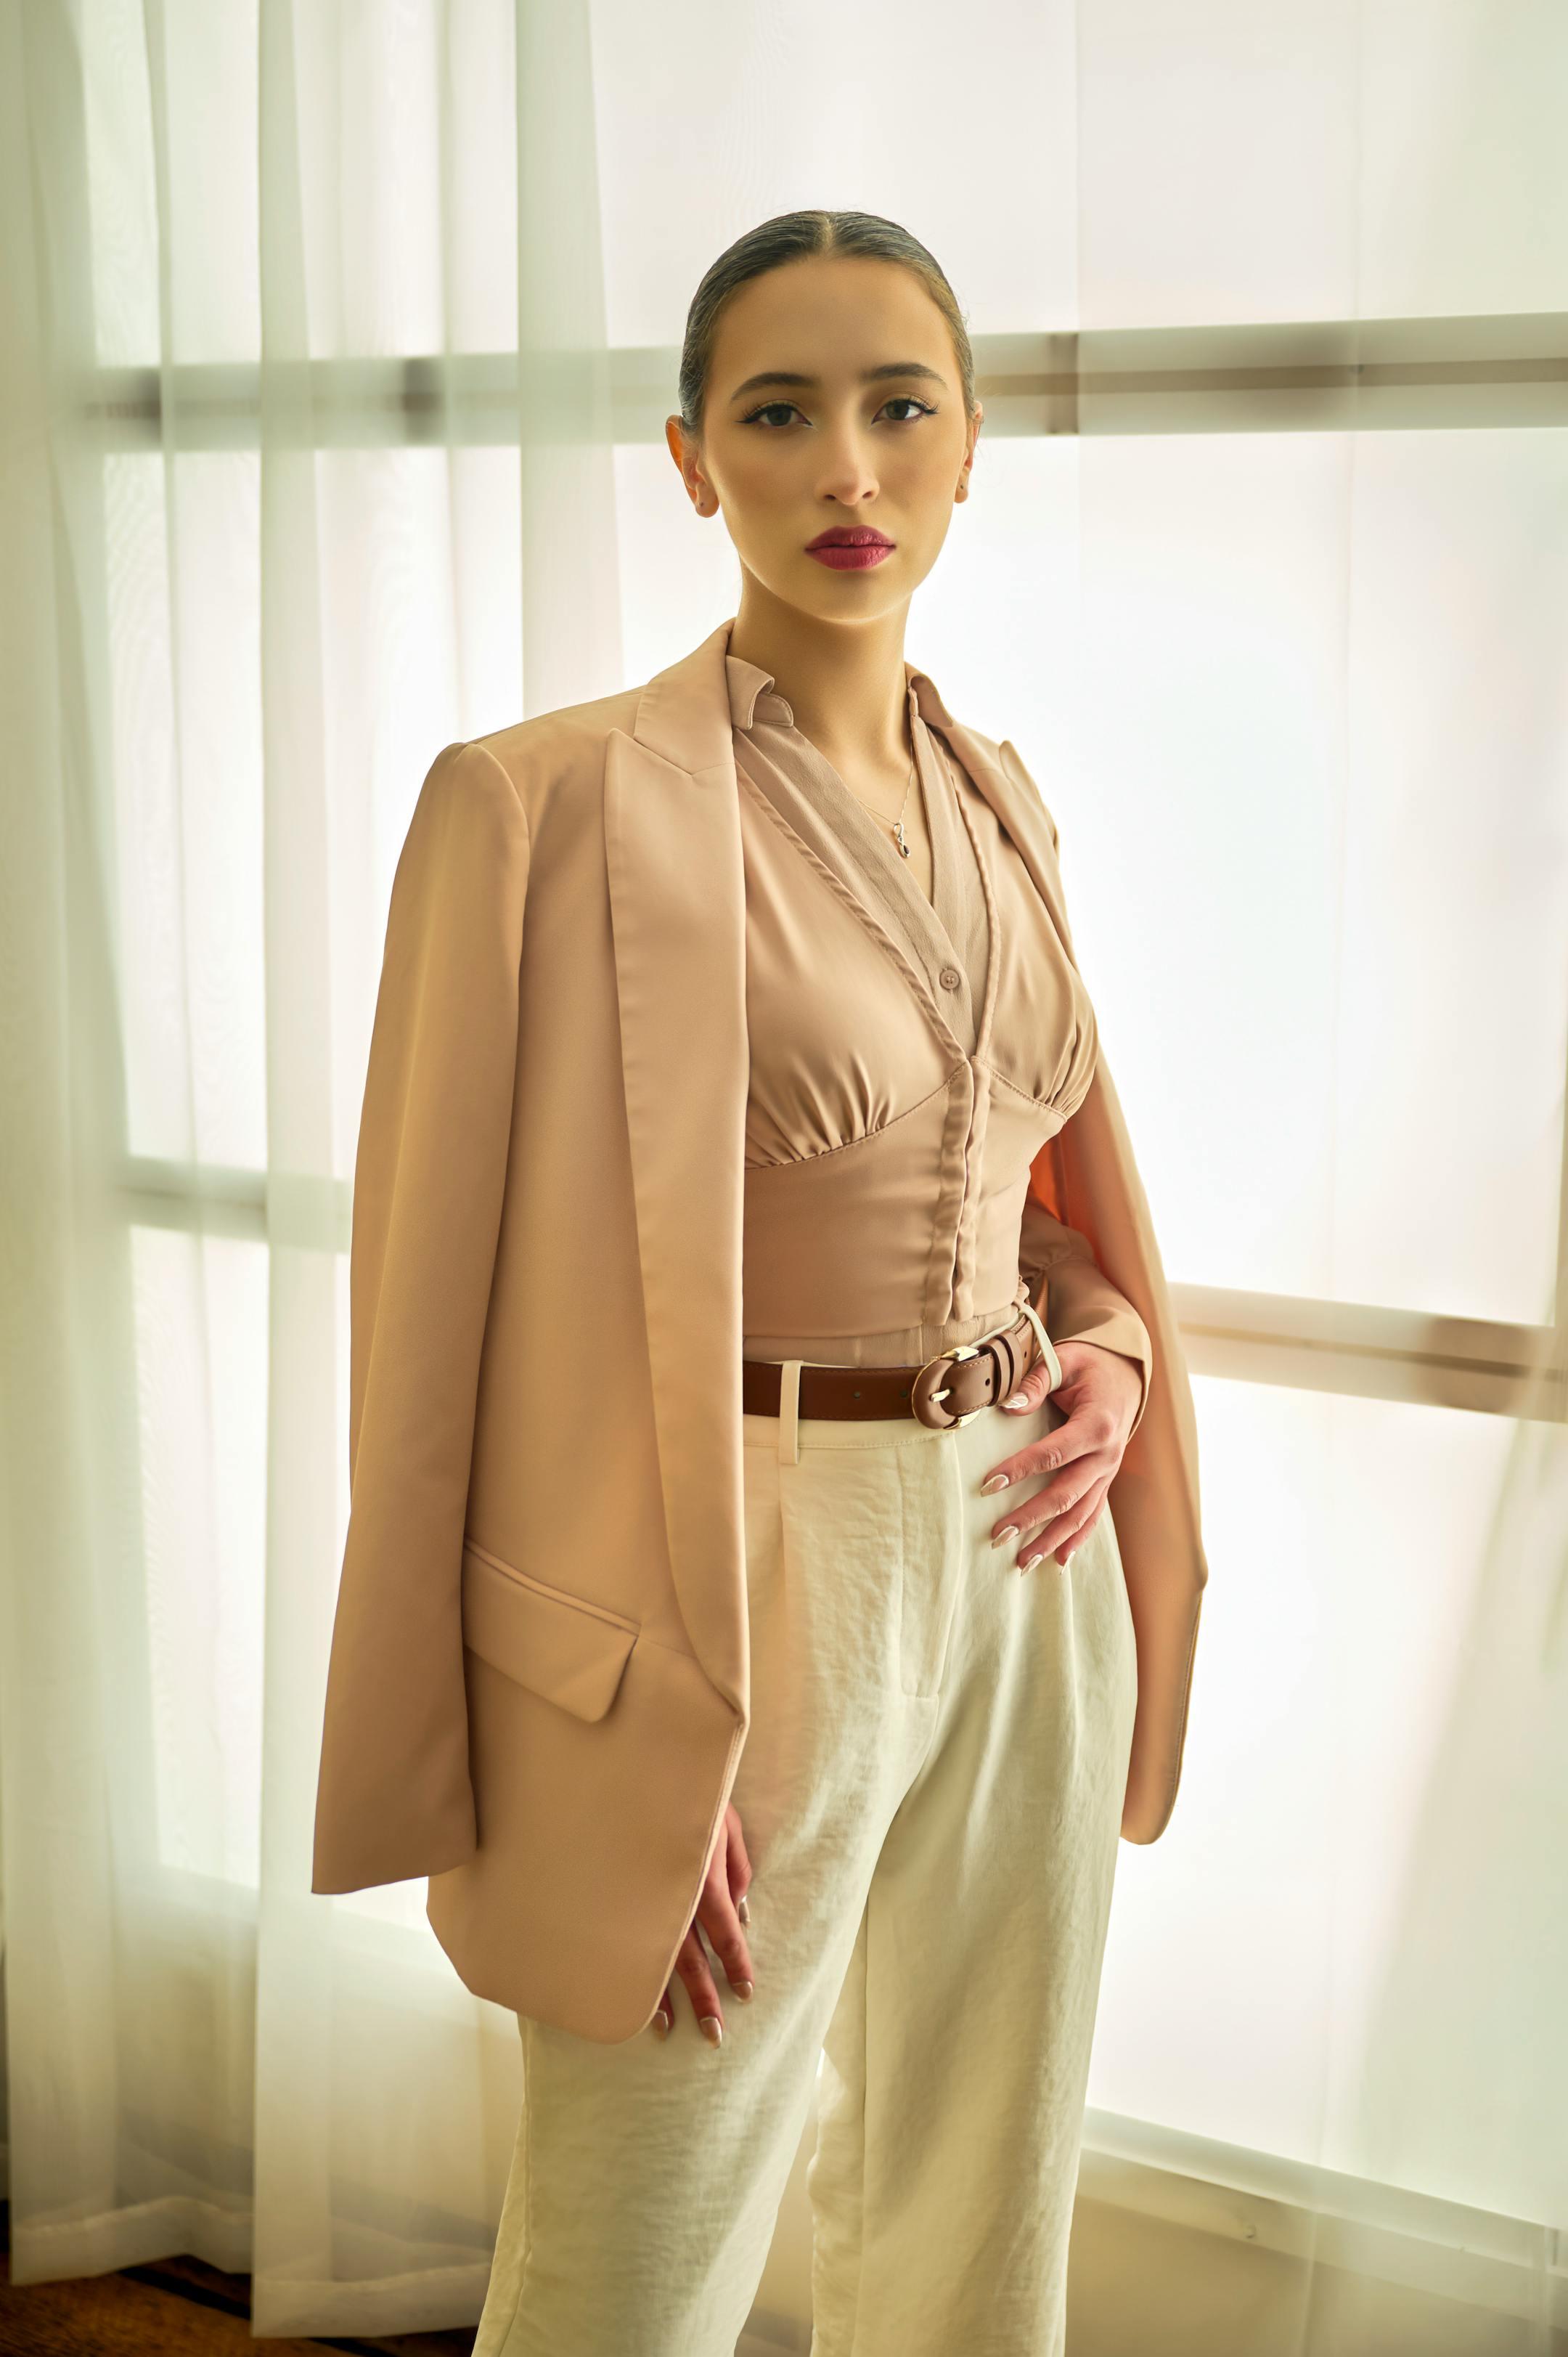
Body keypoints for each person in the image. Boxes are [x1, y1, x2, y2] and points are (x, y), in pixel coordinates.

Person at [311, 207, 1205, 2357]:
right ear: (693, 458)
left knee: (982, 2212)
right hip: (737, 1573)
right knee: (643, 2230)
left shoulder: (1008, 809)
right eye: (778, 412)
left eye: (901, 407)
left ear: (974, 445)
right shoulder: (538, 809)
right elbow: (435, 1338)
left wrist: (1099, 1352)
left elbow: (1021, 1190)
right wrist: (583, 1735)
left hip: (1030, 1559)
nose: (848, 470)